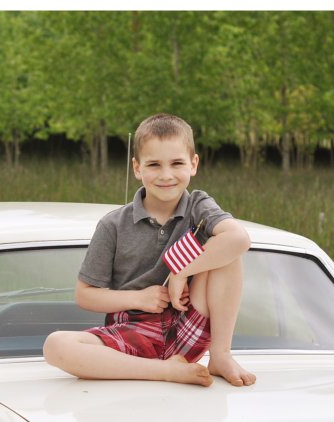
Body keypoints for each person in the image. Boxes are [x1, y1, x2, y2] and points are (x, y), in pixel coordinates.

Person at [43, 113, 256, 387]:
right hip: (131, 331)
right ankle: (167, 371)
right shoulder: (113, 225)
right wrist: (139, 299)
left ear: (193, 164)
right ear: (137, 168)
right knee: (56, 345)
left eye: (177, 163)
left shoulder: (199, 206)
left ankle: (220, 355)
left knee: (228, 250)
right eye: (154, 164)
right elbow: (85, 296)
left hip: (187, 321)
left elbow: (239, 239)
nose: (166, 175)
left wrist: (181, 272)